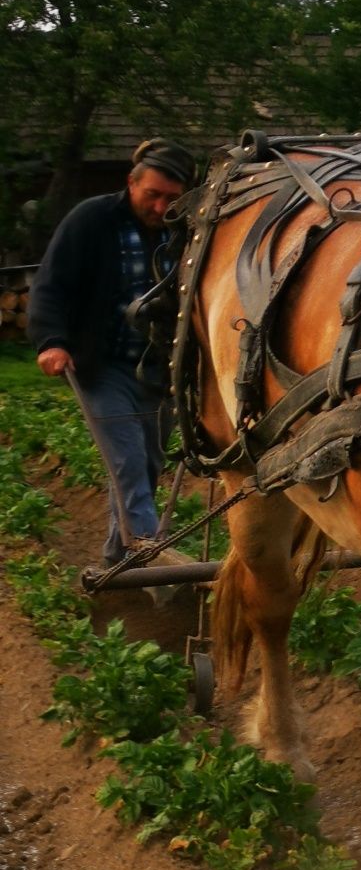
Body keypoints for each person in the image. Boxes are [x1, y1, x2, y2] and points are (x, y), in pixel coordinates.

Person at [28, 139, 197, 568]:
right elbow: (51, 287)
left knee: (148, 468)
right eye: (152, 195)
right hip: (103, 366)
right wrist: (51, 342)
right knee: (128, 462)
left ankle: (117, 563)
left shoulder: (188, 231)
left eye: (172, 199)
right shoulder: (91, 220)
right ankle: (151, 559)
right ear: (131, 183)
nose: (161, 207)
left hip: (160, 369)